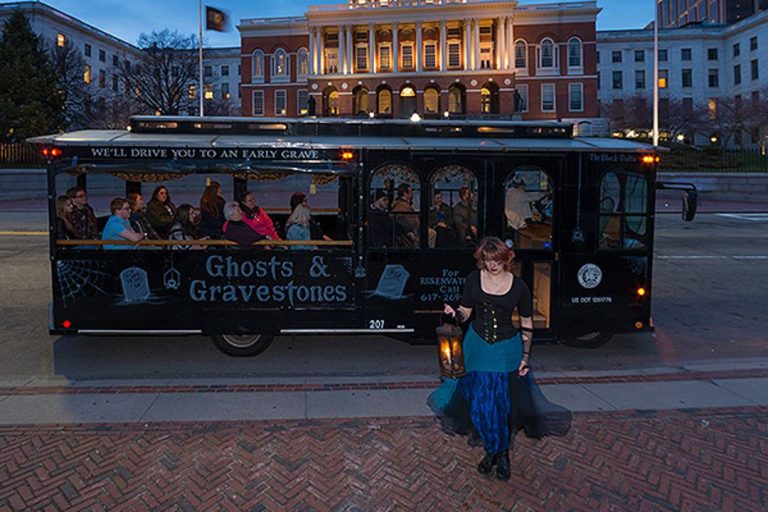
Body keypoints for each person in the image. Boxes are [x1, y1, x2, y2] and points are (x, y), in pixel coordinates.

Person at [430, 237, 570, 481]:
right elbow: (466, 312)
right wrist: (456, 314)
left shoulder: (519, 287)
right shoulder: (474, 279)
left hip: (507, 349)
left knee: (503, 406)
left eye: (496, 260)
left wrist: (526, 356)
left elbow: (526, 324)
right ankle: (493, 449)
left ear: (506, 259)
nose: (491, 265)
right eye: (487, 260)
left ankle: (500, 453)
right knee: (480, 405)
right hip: (477, 346)